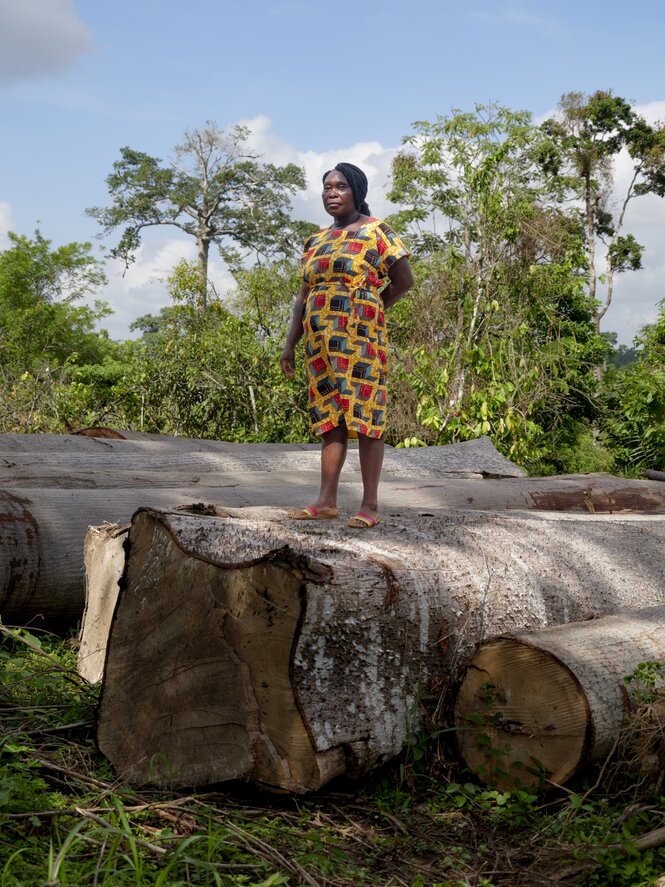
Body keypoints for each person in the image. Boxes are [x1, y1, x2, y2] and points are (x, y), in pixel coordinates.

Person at [280, 162, 413, 528]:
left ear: (357, 190)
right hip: (320, 344)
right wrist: (290, 344)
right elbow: (302, 297)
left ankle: (370, 505)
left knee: (367, 418)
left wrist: (371, 311)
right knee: (329, 420)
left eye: (340, 186)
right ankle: (326, 500)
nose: (331, 192)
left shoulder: (377, 232)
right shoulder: (315, 240)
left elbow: (404, 280)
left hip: (361, 343)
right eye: (326, 187)